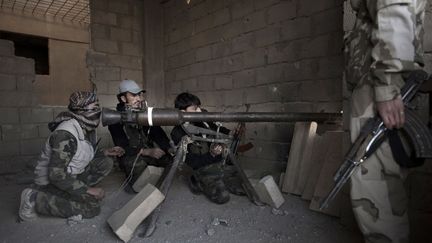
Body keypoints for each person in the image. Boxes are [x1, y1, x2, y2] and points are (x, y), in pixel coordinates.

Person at [346, 1, 427, 242]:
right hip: (381, 82)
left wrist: (387, 85)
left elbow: (394, 6)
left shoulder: (385, 85)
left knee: (374, 184)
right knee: (387, 185)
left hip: (379, 86)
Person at [18, 91, 124, 221]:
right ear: (81, 110)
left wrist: (105, 152)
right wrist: (88, 190)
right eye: (94, 108)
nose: (99, 112)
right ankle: (34, 198)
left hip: (69, 174)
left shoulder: (82, 126)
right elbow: (56, 175)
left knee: (105, 162)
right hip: (51, 182)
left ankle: (75, 190)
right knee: (91, 207)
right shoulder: (65, 134)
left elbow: (77, 153)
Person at [108, 80, 172, 190]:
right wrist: (148, 152)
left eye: (139, 95)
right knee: (136, 167)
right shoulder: (115, 118)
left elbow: (159, 134)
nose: (139, 99)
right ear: (123, 98)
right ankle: (132, 181)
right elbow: (122, 147)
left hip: (148, 151)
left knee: (170, 160)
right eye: (133, 95)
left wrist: (168, 148)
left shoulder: (143, 114)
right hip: (132, 155)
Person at [170, 92, 234, 204]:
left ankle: (212, 178)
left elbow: (216, 128)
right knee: (222, 196)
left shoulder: (201, 121)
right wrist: (212, 154)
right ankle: (196, 180)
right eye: (195, 108)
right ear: (182, 112)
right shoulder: (177, 133)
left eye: (199, 107)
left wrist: (231, 132)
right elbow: (192, 162)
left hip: (216, 161)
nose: (199, 111)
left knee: (236, 183)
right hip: (201, 167)